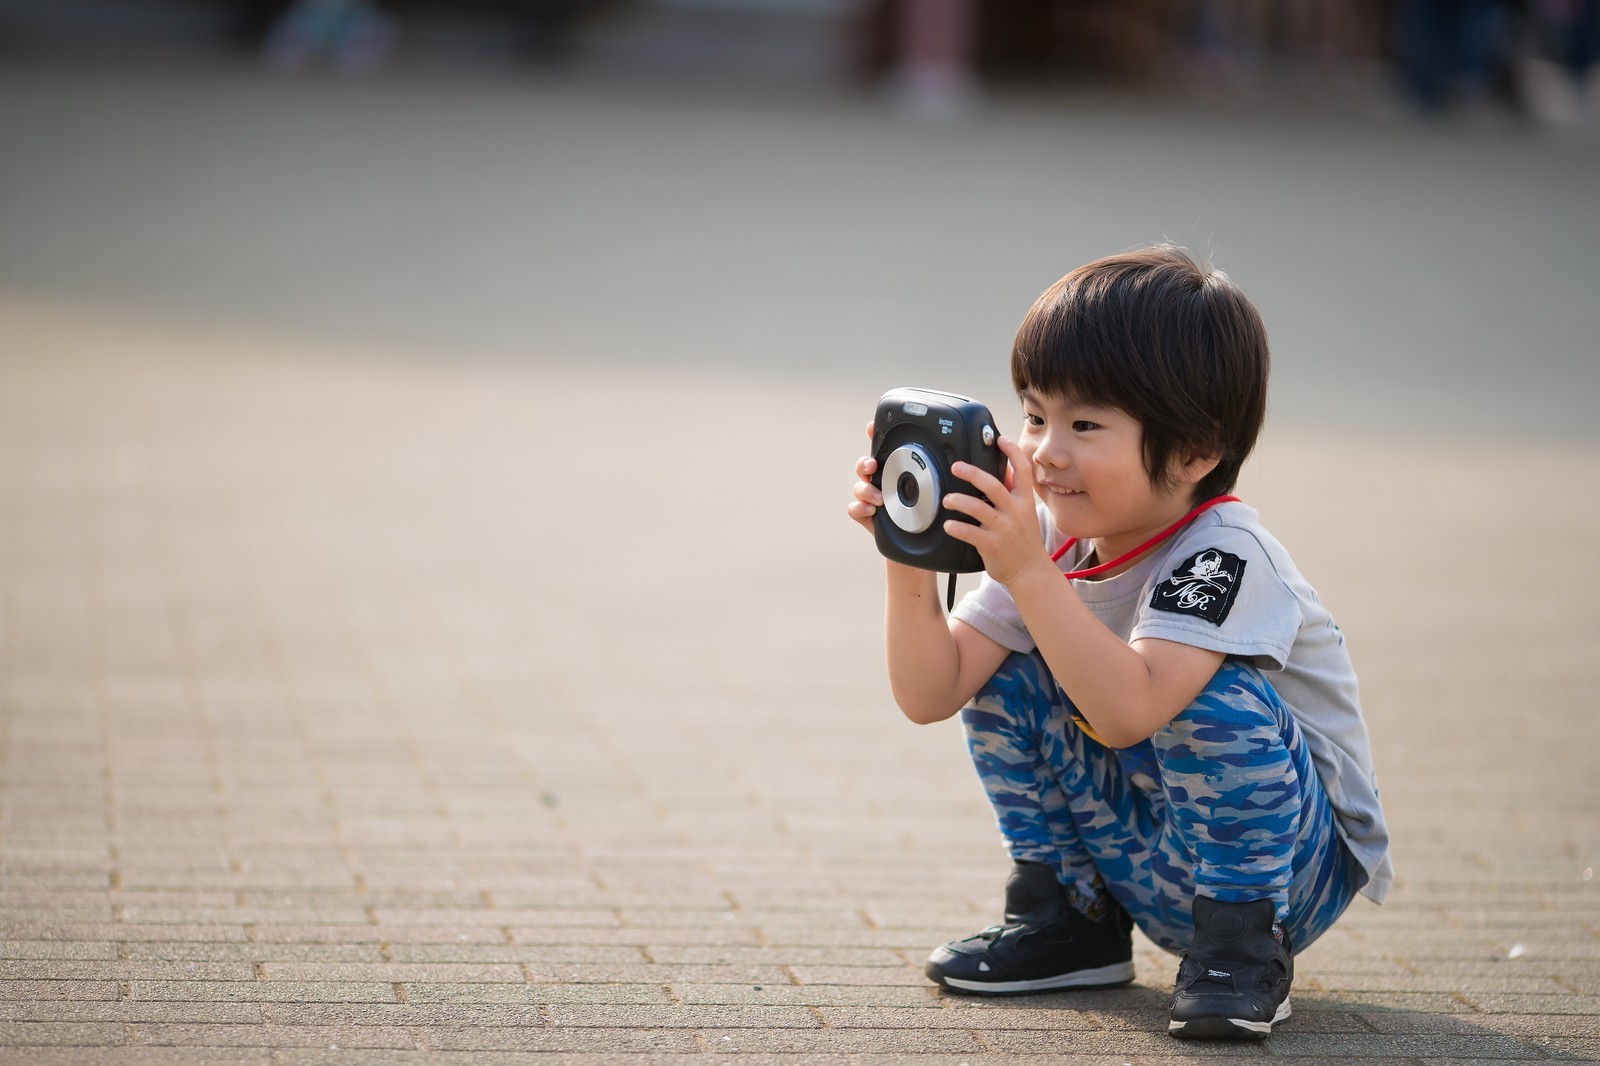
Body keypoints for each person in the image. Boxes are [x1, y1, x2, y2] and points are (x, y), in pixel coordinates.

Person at [846, 245, 1391, 1041]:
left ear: (1195, 451)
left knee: (1212, 691)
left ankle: (1241, 950)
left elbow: (1133, 709)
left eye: (1086, 424)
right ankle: (1072, 918)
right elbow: (932, 693)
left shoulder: (1226, 556)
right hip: (1153, 853)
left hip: (1286, 873)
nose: (1044, 451)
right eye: (1034, 415)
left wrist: (1030, 575)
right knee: (1003, 669)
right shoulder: (1053, 541)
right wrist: (910, 555)